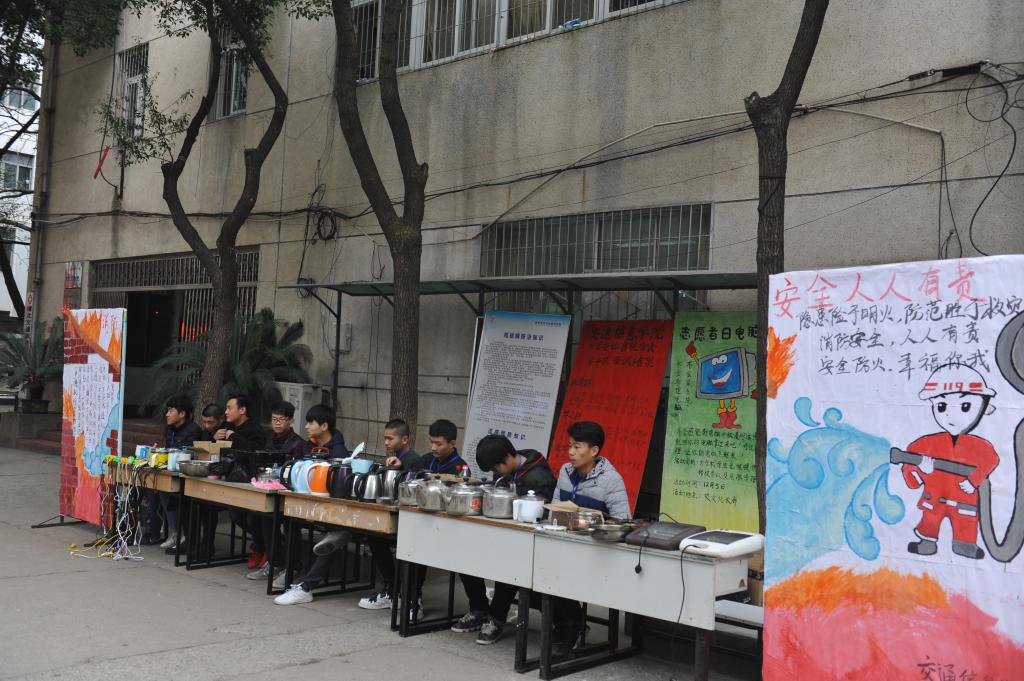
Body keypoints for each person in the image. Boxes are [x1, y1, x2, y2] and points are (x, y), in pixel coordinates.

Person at [452, 434, 559, 645]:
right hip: (502, 532)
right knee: (465, 556)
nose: (496, 473)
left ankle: (496, 618)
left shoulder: (539, 478)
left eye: (496, 468)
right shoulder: (511, 468)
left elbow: (543, 515)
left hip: (526, 541)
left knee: (510, 566)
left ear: (508, 457)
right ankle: (478, 609)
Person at [355, 419, 423, 613]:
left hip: (410, 521)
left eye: (390, 438)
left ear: (405, 439)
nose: (386, 442)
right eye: (385, 438)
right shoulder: (396, 458)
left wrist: (402, 466)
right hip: (394, 515)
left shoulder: (413, 459)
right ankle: (392, 589)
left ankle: (408, 596)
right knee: (373, 536)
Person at [153, 396, 203, 550]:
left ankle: (180, 534)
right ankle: (170, 531)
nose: (167, 414)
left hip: (188, 476)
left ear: (182, 414)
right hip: (171, 473)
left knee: (171, 494)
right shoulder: (170, 429)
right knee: (157, 488)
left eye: (170, 411)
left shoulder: (193, 431)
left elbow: (189, 455)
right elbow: (169, 450)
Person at [554, 421, 631, 520]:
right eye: (570, 446)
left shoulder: (612, 480)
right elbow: (554, 511)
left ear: (593, 451)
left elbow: (623, 520)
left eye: (576, 447)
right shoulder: (565, 471)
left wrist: (590, 523)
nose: (571, 452)